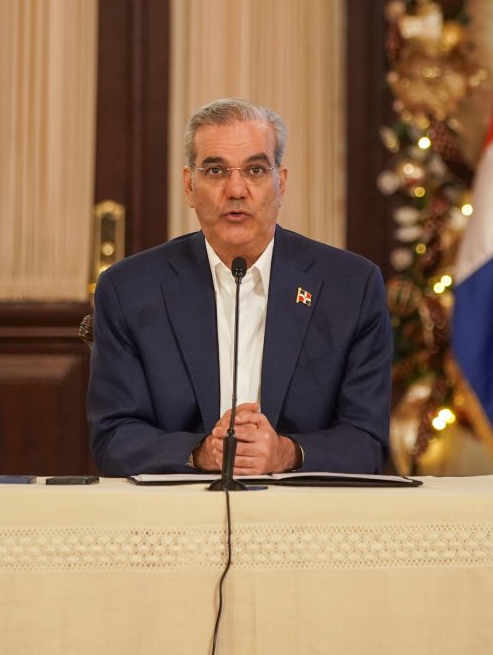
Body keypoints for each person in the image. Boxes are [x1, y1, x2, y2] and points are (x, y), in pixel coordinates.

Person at [87, 99, 391, 476]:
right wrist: (201, 453)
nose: (236, 189)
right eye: (216, 170)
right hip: (179, 507)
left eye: (255, 170)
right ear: (189, 186)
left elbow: (367, 441)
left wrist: (286, 454)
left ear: (280, 183)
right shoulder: (129, 290)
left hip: (302, 508)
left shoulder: (350, 287)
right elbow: (114, 438)